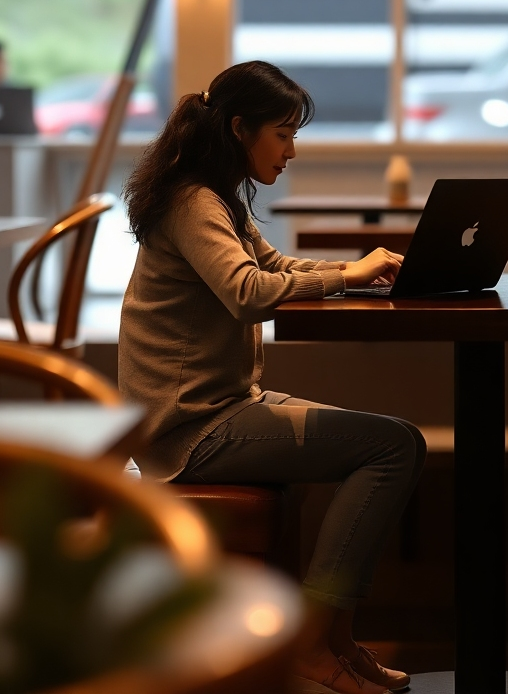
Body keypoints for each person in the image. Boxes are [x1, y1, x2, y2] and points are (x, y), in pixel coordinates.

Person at [120, 61, 423, 694]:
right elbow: (247, 291)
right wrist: (347, 276)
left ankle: (336, 640)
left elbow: (274, 264)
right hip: (189, 431)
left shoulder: (215, 194)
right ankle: (313, 640)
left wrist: (355, 269)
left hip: (219, 409)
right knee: (393, 446)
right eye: (282, 134)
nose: (291, 151)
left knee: (393, 441)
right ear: (239, 128)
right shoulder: (192, 199)